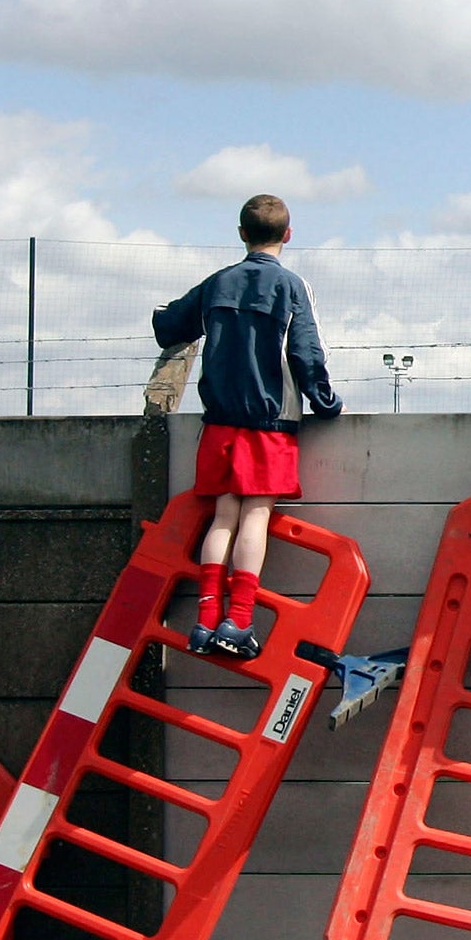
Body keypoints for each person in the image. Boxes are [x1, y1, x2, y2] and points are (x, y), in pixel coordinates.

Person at [153, 194, 341, 658]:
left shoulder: (219, 283)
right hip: (269, 420)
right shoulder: (292, 286)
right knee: (255, 516)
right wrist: (324, 399)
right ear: (288, 235)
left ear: (241, 233)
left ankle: (203, 620)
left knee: (223, 518)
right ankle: (237, 623)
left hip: (219, 420)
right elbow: (305, 351)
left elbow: (171, 325)